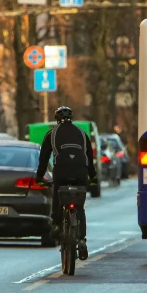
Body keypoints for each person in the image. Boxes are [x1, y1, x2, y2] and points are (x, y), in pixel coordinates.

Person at [36, 106, 97, 261]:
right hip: (80, 173)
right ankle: (82, 240)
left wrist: (39, 177)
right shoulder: (82, 134)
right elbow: (90, 158)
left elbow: (43, 159)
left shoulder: (52, 133)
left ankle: (56, 224)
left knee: (58, 191)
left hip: (61, 171)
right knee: (80, 207)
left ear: (57, 119)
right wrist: (93, 177)